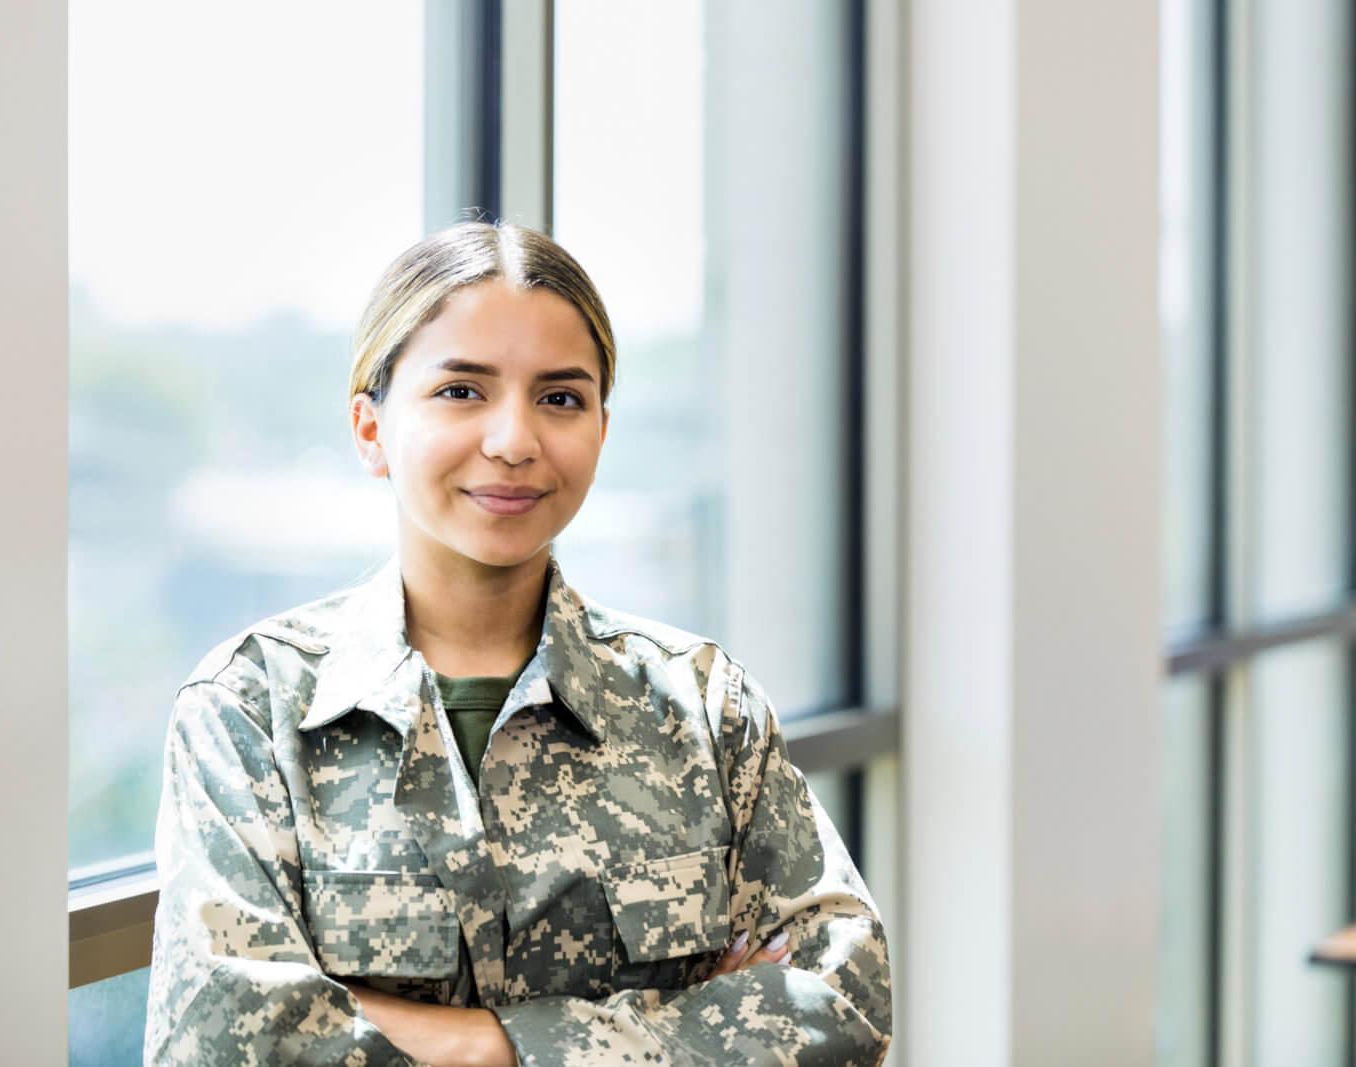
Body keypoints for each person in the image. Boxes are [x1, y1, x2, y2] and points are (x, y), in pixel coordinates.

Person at [143, 221, 892, 1066]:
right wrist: (680, 1025)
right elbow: (222, 1044)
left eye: (560, 397)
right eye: (462, 391)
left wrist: (458, 1043)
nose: (513, 440)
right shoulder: (252, 709)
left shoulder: (703, 707)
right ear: (369, 428)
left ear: (602, 430)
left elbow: (842, 1001)